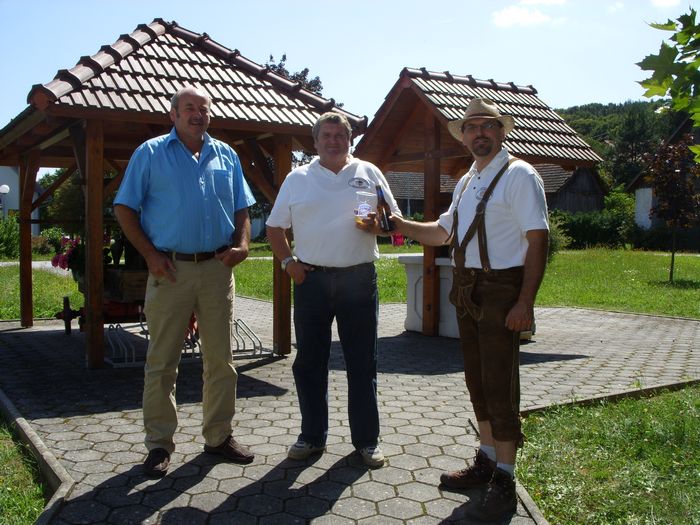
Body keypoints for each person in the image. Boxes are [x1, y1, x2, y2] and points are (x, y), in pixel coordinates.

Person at [390, 98, 549, 521]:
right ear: (463, 136)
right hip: (468, 288)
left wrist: (525, 302)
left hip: (501, 288)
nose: (480, 133)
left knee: (500, 384)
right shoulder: (467, 180)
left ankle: (506, 479)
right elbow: (442, 233)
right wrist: (398, 224)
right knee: (476, 380)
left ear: (502, 131)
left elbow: (538, 239)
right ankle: (486, 460)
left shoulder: (519, 175)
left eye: (488, 126)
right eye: (472, 127)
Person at [114, 86, 257, 478]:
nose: (197, 114)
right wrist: (149, 255)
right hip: (169, 269)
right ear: (173, 114)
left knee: (221, 360)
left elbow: (242, 208)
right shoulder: (150, 153)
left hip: (217, 270)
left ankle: (218, 437)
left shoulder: (226, 155)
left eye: (204, 109)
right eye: (189, 108)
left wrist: (243, 244)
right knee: (162, 361)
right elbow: (124, 207)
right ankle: (159, 445)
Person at [265, 112, 401, 468]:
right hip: (312, 281)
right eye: (326, 135)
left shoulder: (369, 172)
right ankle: (312, 436)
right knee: (310, 362)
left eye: (340, 135)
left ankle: (367, 441)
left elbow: (392, 222)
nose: (333, 141)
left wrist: (378, 226)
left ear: (350, 139)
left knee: (362, 362)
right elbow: (275, 228)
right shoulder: (297, 178)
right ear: (315, 141)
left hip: (359, 279)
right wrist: (288, 263)